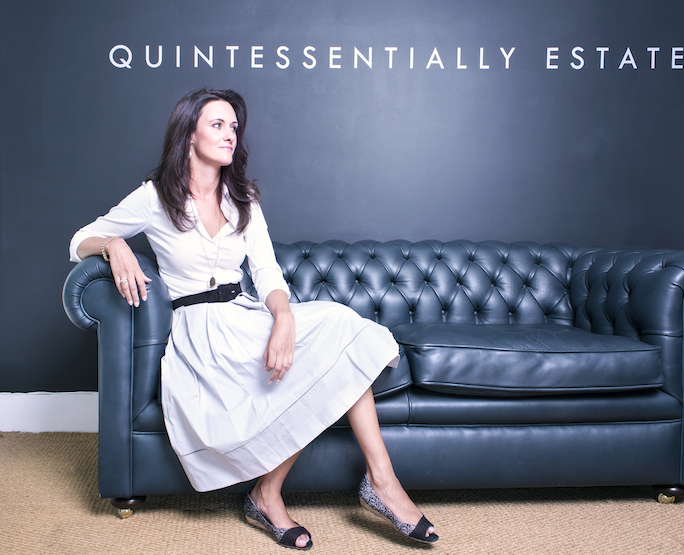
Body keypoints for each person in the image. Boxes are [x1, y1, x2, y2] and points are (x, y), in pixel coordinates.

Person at [69, 88, 437, 549]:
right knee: (318, 363)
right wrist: (114, 244)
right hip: (201, 335)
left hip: (247, 317)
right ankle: (267, 496)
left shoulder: (242, 197)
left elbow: (266, 272)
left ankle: (380, 481)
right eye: (217, 125)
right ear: (189, 134)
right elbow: (80, 240)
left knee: (341, 331)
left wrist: (284, 319)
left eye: (234, 127)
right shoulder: (154, 197)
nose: (230, 135)